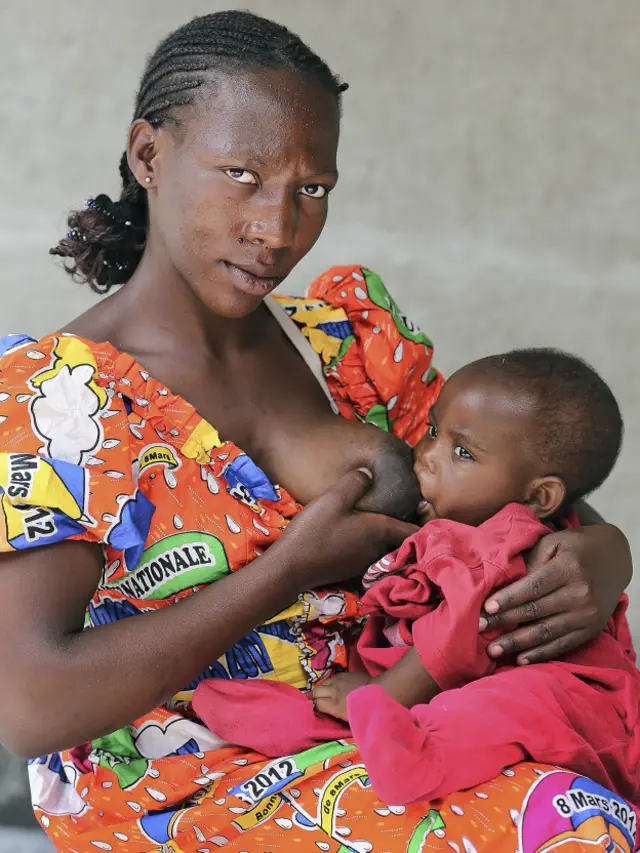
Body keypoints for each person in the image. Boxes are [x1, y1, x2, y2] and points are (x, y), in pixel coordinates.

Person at [0, 11, 632, 853]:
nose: (277, 228)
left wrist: (605, 551)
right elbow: (29, 704)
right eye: (242, 175)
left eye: (313, 189)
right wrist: (289, 568)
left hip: (400, 723)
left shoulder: (348, 341)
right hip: (182, 782)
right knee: (572, 826)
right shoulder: (59, 401)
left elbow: (511, 488)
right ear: (148, 154)